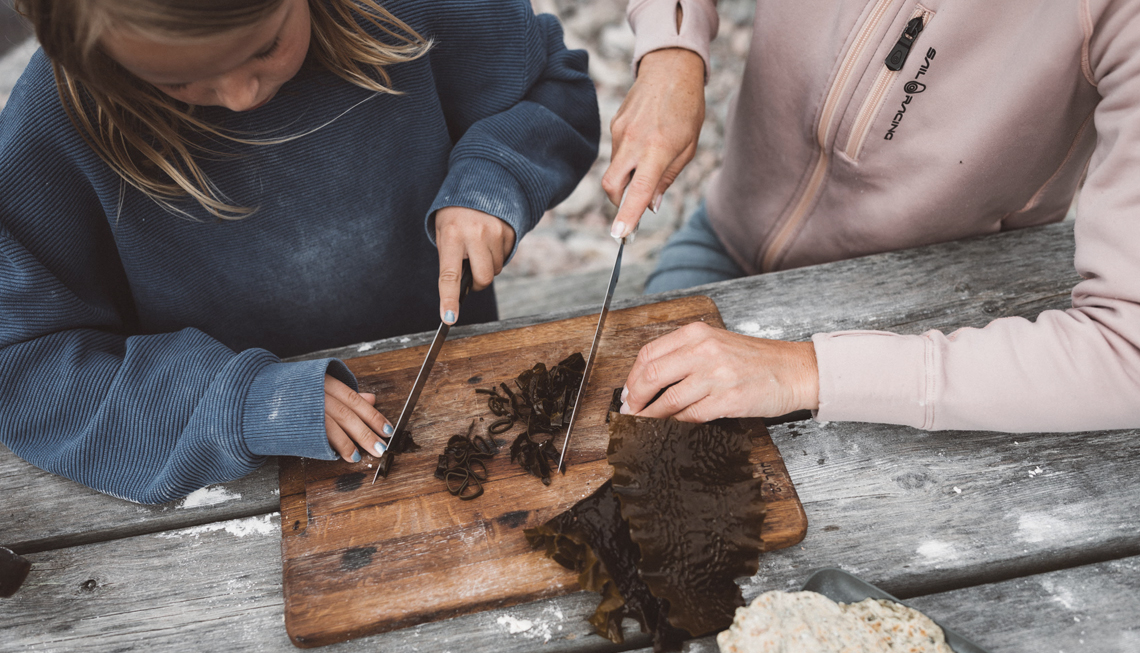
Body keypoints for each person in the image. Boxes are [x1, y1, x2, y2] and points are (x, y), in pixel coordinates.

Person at [0, 0, 598, 503]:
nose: (240, 95)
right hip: (226, 477)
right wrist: (235, 400)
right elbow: (26, 370)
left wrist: (495, 176)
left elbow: (553, 84)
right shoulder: (55, 122)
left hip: (452, 389)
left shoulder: (410, 8)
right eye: (180, 80)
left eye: (264, 48)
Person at [607, 0, 1140, 432]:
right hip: (724, 240)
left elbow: (1127, 352)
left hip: (928, 346)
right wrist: (671, 47)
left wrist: (806, 372)